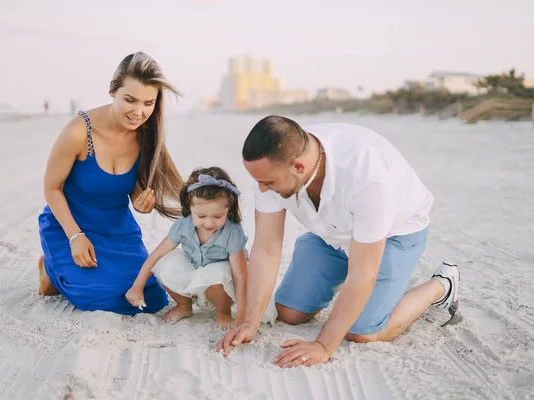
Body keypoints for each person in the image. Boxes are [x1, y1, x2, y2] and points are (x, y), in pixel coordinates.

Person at [217, 115, 461, 367]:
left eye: (268, 182)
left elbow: (363, 272)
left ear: (298, 167)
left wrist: (323, 346)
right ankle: (358, 288)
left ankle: (442, 285)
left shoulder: (367, 176)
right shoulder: (274, 168)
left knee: (362, 331)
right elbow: (266, 248)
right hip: (331, 235)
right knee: (289, 313)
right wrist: (248, 323)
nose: (262, 190)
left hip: (393, 236)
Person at [37, 51, 184, 315]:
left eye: (148, 103)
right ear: (112, 91)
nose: (139, 112)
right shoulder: (79, 131)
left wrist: (142, 204)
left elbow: (136, 194)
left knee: (149, 297)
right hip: (70, 227)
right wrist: (75, 237)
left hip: (117, 230)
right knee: (100, 298)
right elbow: (52, 187)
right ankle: (49, 268)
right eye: (130, 100)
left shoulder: (146, 135)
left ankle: (63, 270)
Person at [126, 167, 277, 329]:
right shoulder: (183, 226)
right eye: (201, 216)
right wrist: (137, 286)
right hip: (196, 274)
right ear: (189, 208)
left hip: (222, 284)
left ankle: (223, 313)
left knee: (217, 274)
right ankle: (184, 305)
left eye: (218, 216)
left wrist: (241, 317)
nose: (209, 223)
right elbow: (156, 255)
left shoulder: (232, 232)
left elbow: (240, 277)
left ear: (229, 209)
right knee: (166, 263)